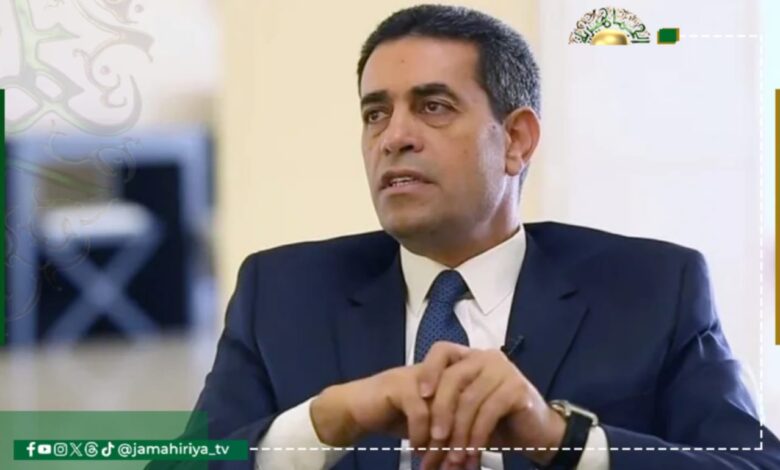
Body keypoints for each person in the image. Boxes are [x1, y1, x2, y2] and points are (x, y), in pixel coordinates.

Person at [184, 4, 780, 470]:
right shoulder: (282, 293)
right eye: (375, 114)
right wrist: (322, 423)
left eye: (433, 107)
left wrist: (562, 440)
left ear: (516, 140)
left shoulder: (652, 289)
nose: (394, 137)